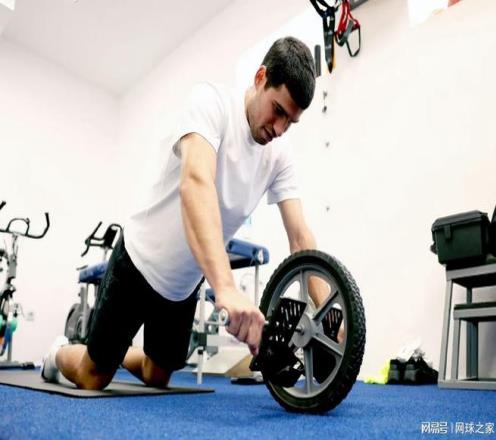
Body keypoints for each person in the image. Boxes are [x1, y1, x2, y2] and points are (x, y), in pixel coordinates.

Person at [41, 36, 326, 390]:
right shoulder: (211, 104)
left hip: (181, 287)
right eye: (278, 110)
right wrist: (225, 287)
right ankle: (57, 353)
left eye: (291, 122)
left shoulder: (279, 156)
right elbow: (195, 183)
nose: (280, 129)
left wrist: (331, 317)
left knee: (157, 376)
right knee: (92, 376)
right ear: (260, 78)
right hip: (139, 262)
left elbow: (300, 236)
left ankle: (113, 355)